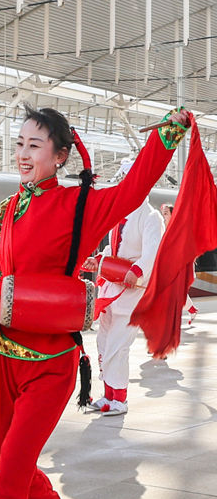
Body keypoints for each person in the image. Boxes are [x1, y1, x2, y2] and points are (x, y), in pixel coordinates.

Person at [0, 105, 189, 499]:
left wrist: (167, 136)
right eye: (19, 143)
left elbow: (133, 189)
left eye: (35, 145)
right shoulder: (2, 213)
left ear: (61, 156)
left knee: (8, 477)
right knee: (10, 467)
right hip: (2, 360)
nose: (23, 154)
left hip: (50, 367)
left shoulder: (80, 205)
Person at [87, 173, 165, 415]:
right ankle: (108, 395)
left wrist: (138, 270)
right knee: (104, 342)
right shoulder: (121, 213)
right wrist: (98, 260)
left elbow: (153, 250)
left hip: (133, 292)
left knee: (118, 346)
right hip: (112, 287)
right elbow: (112, 249)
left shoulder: (151, 217)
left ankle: (120, 399)